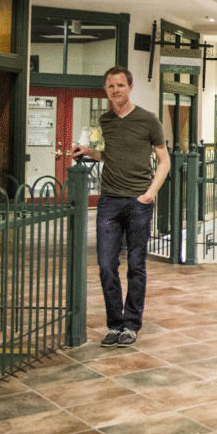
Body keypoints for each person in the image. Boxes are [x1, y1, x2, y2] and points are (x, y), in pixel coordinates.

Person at [72, 66, 169, 347]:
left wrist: (150, 194)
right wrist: (89, 152)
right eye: (110, 86)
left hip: (139, 201)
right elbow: (109, 154)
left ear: (130, 87)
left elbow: (164, 161)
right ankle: (115, 324)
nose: (115, 90)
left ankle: (131, 324)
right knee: (105, 265)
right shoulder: (105, 121)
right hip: (109, 201)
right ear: (106, 90)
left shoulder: (148, 120)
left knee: (136, 266)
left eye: (120, 85)